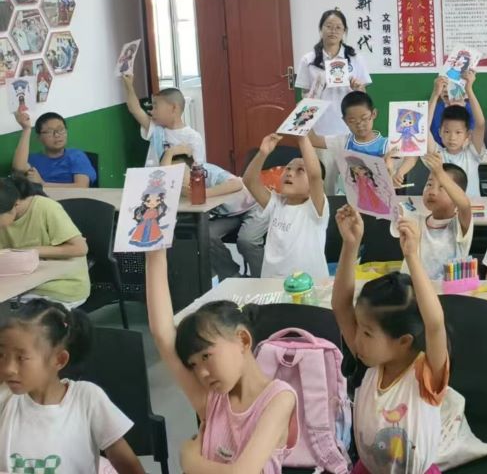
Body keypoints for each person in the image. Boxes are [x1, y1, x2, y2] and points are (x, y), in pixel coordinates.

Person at [145, 249, 298, 472]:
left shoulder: (279, 399)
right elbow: (162, 334)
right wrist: (155, 254)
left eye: (206, 356)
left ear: (243, 340)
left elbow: (243, 472)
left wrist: (190, 461)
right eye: (193, 365)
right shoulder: (212, 400)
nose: (201, 373)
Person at [332, 211, 449, 474]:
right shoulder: (372, 361)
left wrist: (412, 256)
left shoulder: (426, 375)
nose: (356, 339)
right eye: (359, 328)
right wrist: (350, 245)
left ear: (403, 341)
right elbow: (341, 306)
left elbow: (434, 323)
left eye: (367, 333)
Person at [0, 299, 144, 473]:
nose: (8, 369)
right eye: (1, 355)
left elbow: (125, 462)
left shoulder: (87, 399)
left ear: (59, 360)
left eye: (21, 358)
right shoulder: (5, 398)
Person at [295, 9, 373, 196]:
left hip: (350, 131)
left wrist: (358, 88)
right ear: (321, 29)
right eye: (328, 26)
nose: (333, 31)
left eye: (338, 27)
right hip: (320, 133)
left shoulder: (355, 58)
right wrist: (317, 88)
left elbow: (364, 97)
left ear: (344, 31)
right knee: (324, 187)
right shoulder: (308, 60)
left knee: (353, 188)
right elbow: (304, 98)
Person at [163, 146, 260, 280]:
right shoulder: (179, 187)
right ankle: (232, 276)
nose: (177, 178)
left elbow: (237, 184)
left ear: (191, 168)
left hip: (253, 206)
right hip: (229, 215)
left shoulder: (204, 171)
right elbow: (164, 176)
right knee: (206, 234)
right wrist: (170, 152)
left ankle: (261, 278)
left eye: (180, 172)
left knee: (247, 240)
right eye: (173, 174)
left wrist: (204, 193)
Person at [242, 133, 329, 279]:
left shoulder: (315, 208)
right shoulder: (276, 203)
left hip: (308, 285)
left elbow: (314, 175)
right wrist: (263, 153)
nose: (289, 173)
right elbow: (249, 181)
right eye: (288, 168)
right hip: (272, 283)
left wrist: (302, 138)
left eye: (300, 170)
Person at [0, 175, 90, 307]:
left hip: (59, 289)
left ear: (16, 204)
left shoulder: (46, 208)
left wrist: (28, 251)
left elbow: (80, 248)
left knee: (12, 316)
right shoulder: (6, 215)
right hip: (20, 287)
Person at [309, 90, 416, 193]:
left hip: (382, 198)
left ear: (374, 114)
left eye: (364, 118)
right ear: (345, 121)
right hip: (351, 199)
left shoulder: (387, 144)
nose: (360, 124)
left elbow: (413, 155)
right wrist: (309, 109)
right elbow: (313, 139)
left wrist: (400, 172)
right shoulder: (343, 142)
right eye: (352, 121)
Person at [399, 151, 474, 281]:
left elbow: (464, 205)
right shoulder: (414, 219)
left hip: (448, 290)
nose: (432, 192)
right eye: (429, 184)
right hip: (414, 287)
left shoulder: (460, 224)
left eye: (442, 187)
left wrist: (440, 172)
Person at [122, 75, 205, 166]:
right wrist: (129, 85)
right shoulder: (156, 130)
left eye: (156, 107)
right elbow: (135, 109)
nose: (151, 111)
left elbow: (196, 169)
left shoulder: (193, 138)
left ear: (173, 108)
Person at [430, 72, 486, 199]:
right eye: (447, 132)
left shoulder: (472, 153)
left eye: (458, 132)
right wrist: (435, 94)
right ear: (440, 132)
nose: (452, 138)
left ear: (468, 134)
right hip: (444, 206)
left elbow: (480, 124)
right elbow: (422, 128)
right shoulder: (437, 155)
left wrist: (469, 90)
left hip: (471, 207)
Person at [11, 110, 97, 187]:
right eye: (49, 132)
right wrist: (26, 129)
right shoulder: (34, 159)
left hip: (73, 199)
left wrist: (43, 184)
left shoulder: (76, 156)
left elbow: (81, 186)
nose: (57, 135)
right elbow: (19, 167)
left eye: (61, 130)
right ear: (39, 138)